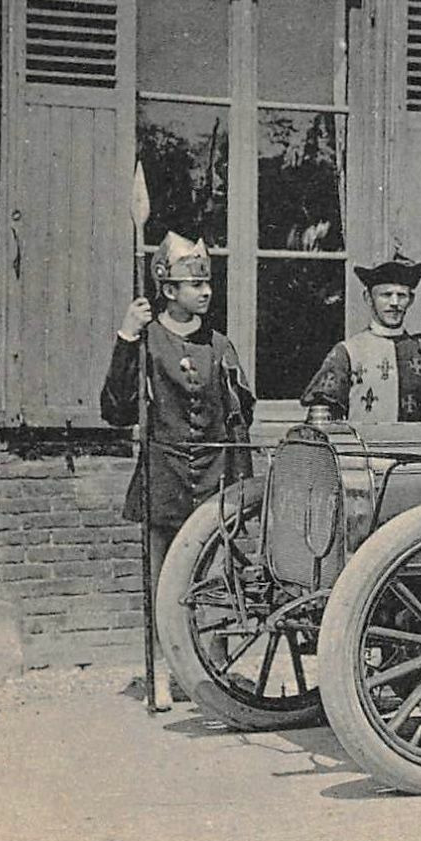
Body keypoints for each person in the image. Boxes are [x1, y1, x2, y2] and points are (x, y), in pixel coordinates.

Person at [99, 231, 255, 695]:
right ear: (169, 290)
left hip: (214, 479)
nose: (206, 292)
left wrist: (241, 485)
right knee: (164, 580)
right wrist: (127, 336)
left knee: (218, 578)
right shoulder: (146, 342)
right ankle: (165, 672)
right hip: (164, 476)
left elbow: (239, 418)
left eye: (208, 283)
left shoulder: (220, 346)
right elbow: (116, 411)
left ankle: (215, 671)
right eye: (194, 284)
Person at [299, 253, 421, 422]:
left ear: (410, 300)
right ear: (368, 298)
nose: (394, 302)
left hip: (411, 447)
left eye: (401, 295)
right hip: (361, 447)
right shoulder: (347, 352)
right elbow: (321, 418)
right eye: (386, 295)